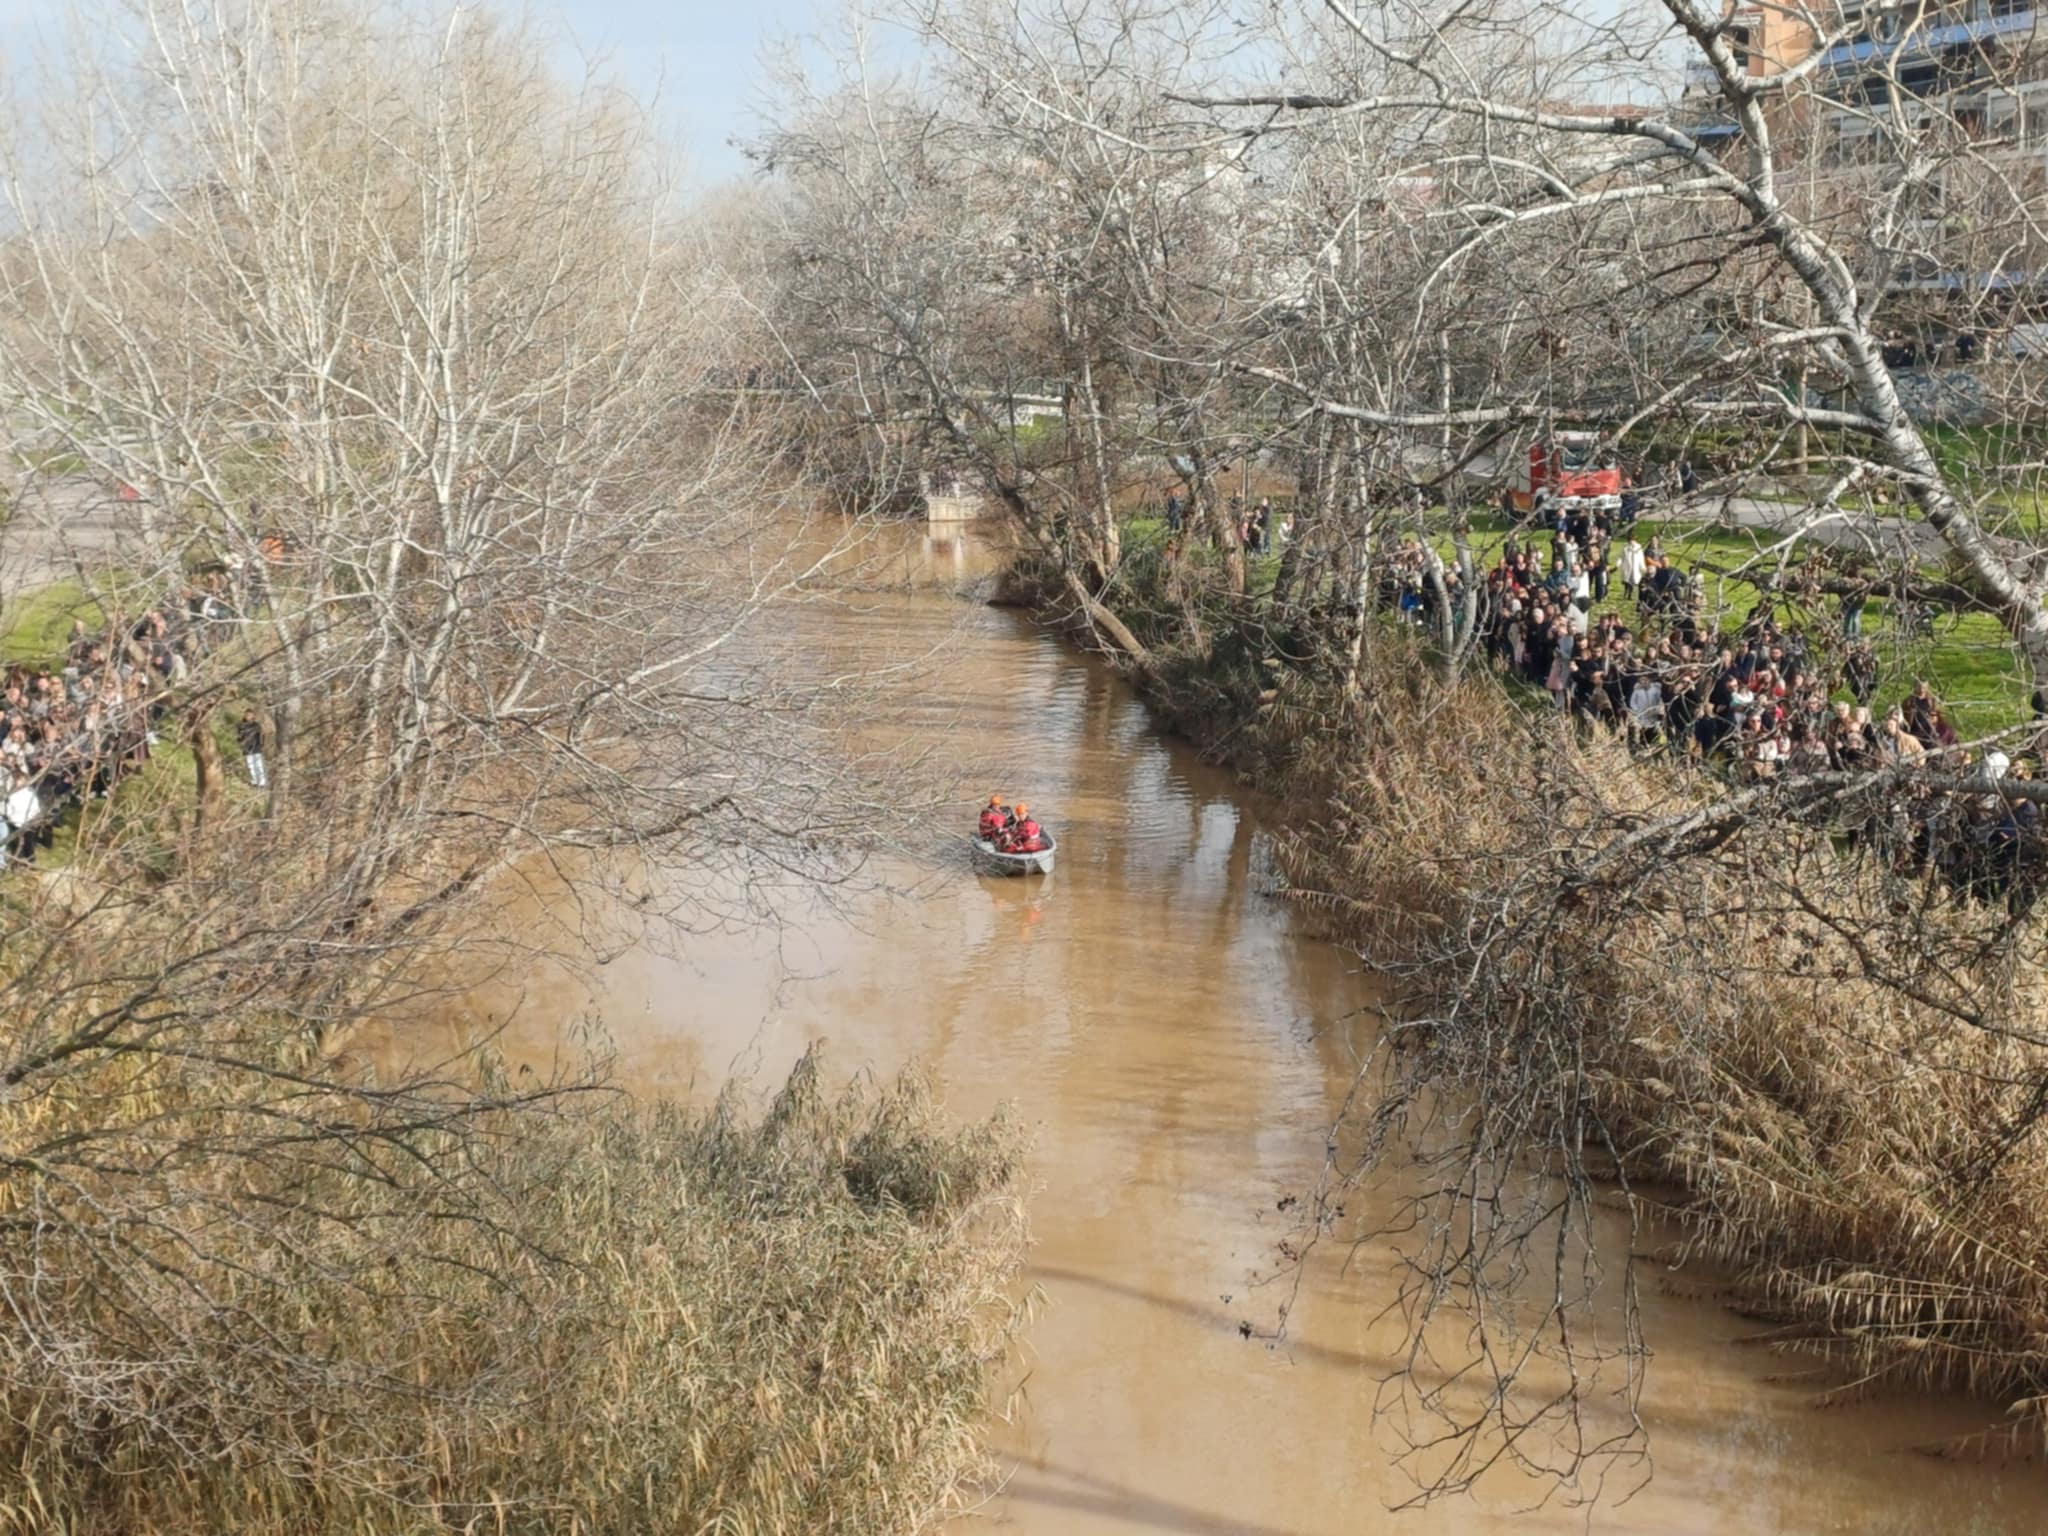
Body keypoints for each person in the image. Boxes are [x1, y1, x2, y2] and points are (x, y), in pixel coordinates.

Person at [238, 709, 267, 789]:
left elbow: (262, 735)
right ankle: (254, 781)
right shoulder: (241, 725)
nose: (248, 716)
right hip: (246, 747)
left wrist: (261, 744)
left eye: (250, 715)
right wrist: (240, 742)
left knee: (258, 765)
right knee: (250, 765)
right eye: (246, 715)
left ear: (253, 716)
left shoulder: (256, 725)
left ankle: (262, 783)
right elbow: (239, 736)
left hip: (256, 746)